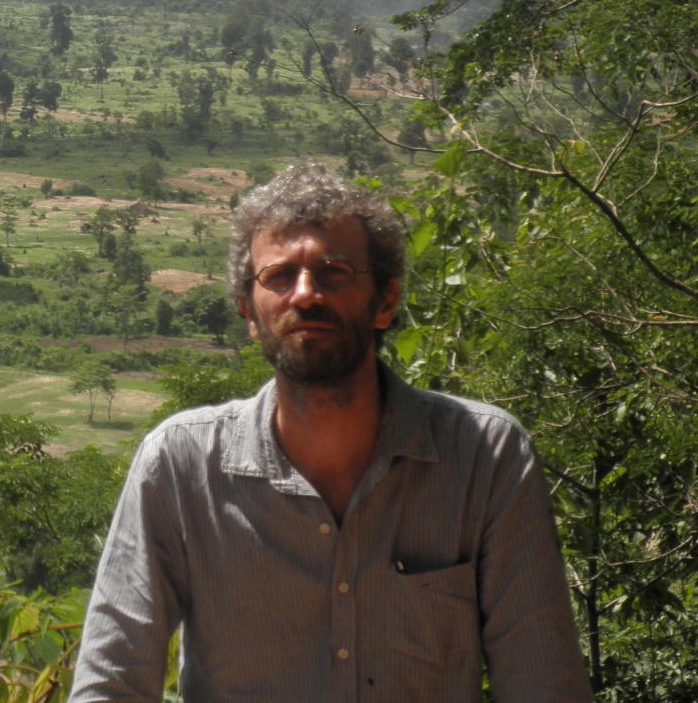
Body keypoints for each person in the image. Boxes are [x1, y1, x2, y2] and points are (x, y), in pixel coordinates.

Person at [71, 164, 588, 702]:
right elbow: (110, 686)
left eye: (334, 272)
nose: (305, 295)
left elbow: (543, 684)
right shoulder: (182, 466)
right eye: (279, 276)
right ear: (249, 313)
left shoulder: (485, 457)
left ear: (386, 302)